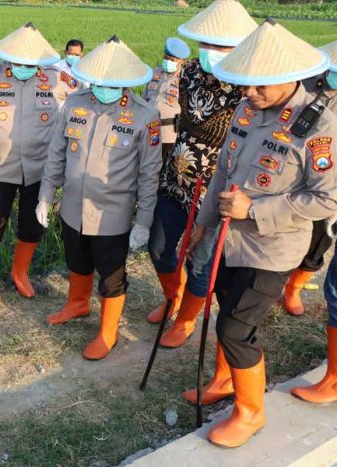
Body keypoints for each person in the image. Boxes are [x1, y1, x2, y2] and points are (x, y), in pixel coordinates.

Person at [185, 18, 337, 448]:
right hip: (228, 241)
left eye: (258, 87)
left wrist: (256, 208)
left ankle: (250, 413)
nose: (248, 94)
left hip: (271, 247)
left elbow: (327, 200)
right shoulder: (248, 106)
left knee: (236, 326)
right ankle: (224, 380)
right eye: (245, 85)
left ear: (286, 78)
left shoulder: (320, 126)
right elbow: (224, 171)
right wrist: (202, 224)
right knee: (226, 308)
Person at [37, 36, 161, 360]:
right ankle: (77, 304)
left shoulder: (145, 116)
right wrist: (45, 197)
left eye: (108, 83)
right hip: (73, 207)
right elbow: (56, 155)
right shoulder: (75, 104)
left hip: (112, 214)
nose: (100, 87)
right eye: (96, 82)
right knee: (76, 261)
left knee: (111, 275)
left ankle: (108, 333)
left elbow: (149, 174)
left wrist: (143, 222)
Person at [146, 0, 256, 349]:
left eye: (221, 46)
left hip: (218, 185)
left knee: (202, 260)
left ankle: (187, 319)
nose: (212, 52)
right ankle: (171, 297)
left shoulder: (250, 86)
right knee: (160, 246)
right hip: (177, 173)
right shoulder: (189, 71)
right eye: (206, 44)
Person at [0, 22, 79, 308]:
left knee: (32, 224)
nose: (25, 67)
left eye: (31, 63)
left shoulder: (56, 78)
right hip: (0, 167)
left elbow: (80, 105)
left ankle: (19, 271)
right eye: (19, 62)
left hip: (40, 168)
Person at [291, 41, 337, 403]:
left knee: (320, 244)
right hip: (303, 181)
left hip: (329, 192)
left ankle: (334, 381)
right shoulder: (307, 86)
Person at [282, 40, 337, 316]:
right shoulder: (305, 81)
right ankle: (276, 278)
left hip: (328, 177)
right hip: (292, 166)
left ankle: (294, 287)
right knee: (283, 224)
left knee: (319, 239)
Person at [142, 37, 190, 162]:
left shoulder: (185, 79)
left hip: (168, 134)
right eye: (166, 58)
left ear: (181, 61)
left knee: (162, 170)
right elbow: (144, 98)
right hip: (148, 129)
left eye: (172, 60)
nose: (168, 61)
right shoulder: (155, 72)